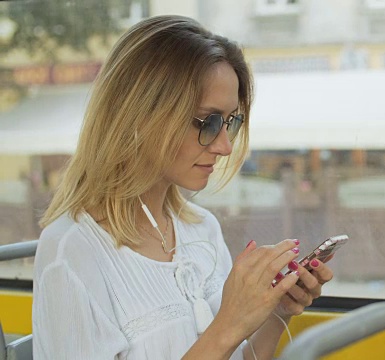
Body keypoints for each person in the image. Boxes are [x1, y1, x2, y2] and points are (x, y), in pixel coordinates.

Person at [32, 15, 333, 360]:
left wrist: (275, 311)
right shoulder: (71, 253)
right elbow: (223, 339)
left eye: (231, 122)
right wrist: (229, 325)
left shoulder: (201, 229)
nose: (225, 146)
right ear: (139, 115)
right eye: (210, 122)